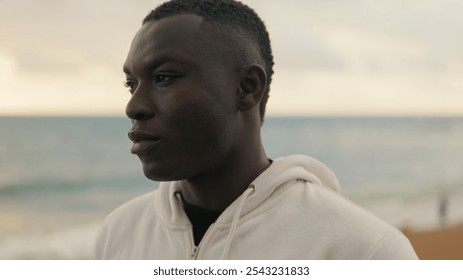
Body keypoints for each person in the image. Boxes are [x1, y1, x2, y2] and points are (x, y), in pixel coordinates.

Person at [93, 0, 417, 259]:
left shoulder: (363, 251)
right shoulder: (120, 233)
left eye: (163, 77)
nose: (134, 106)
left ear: (247, 87)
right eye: (131, 84)